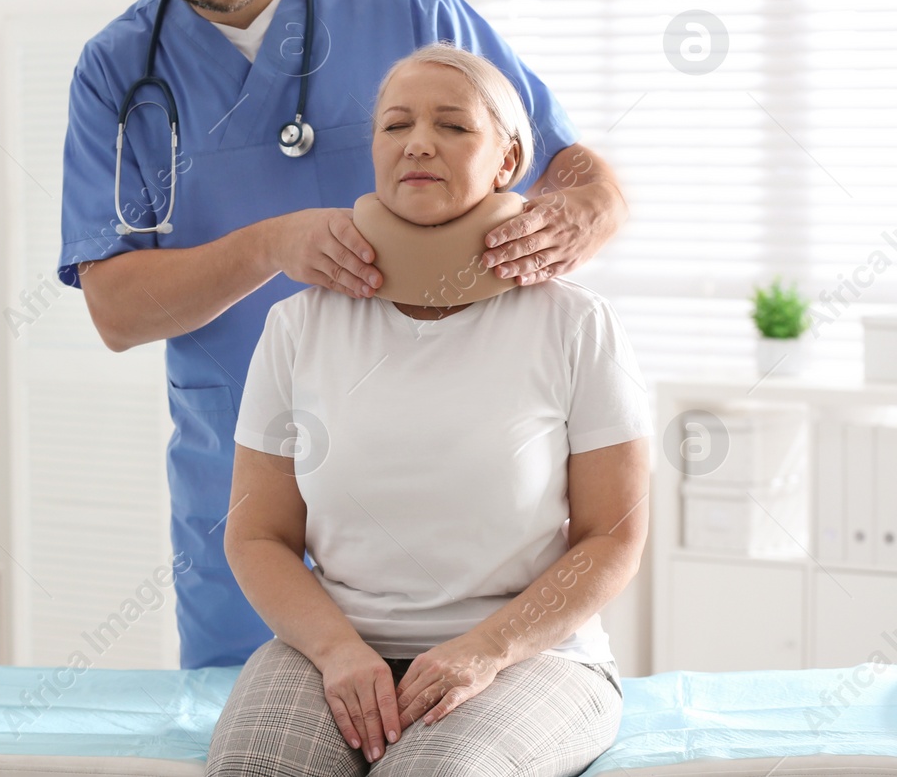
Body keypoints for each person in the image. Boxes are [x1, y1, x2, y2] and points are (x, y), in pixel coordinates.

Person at [57, 0, 629, 670]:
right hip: (248, 489)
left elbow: (567, 167)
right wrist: (269, 246)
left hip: (450, 490)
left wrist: (588, 211)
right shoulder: (117, 74)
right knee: (256, 736)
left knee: (456, 722)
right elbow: (117, 310)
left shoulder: (398, 3)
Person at [205, 44, 650, 776]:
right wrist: (338, 649)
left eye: (452, 125)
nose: (417, 141)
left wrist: (487, 649)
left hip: (528, 654)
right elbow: (257, 536)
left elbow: (613, 538)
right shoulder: (300, 324)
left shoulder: (574, 324)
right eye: (395, 125)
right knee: (258, 765)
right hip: (338, 641)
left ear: (507, 161)